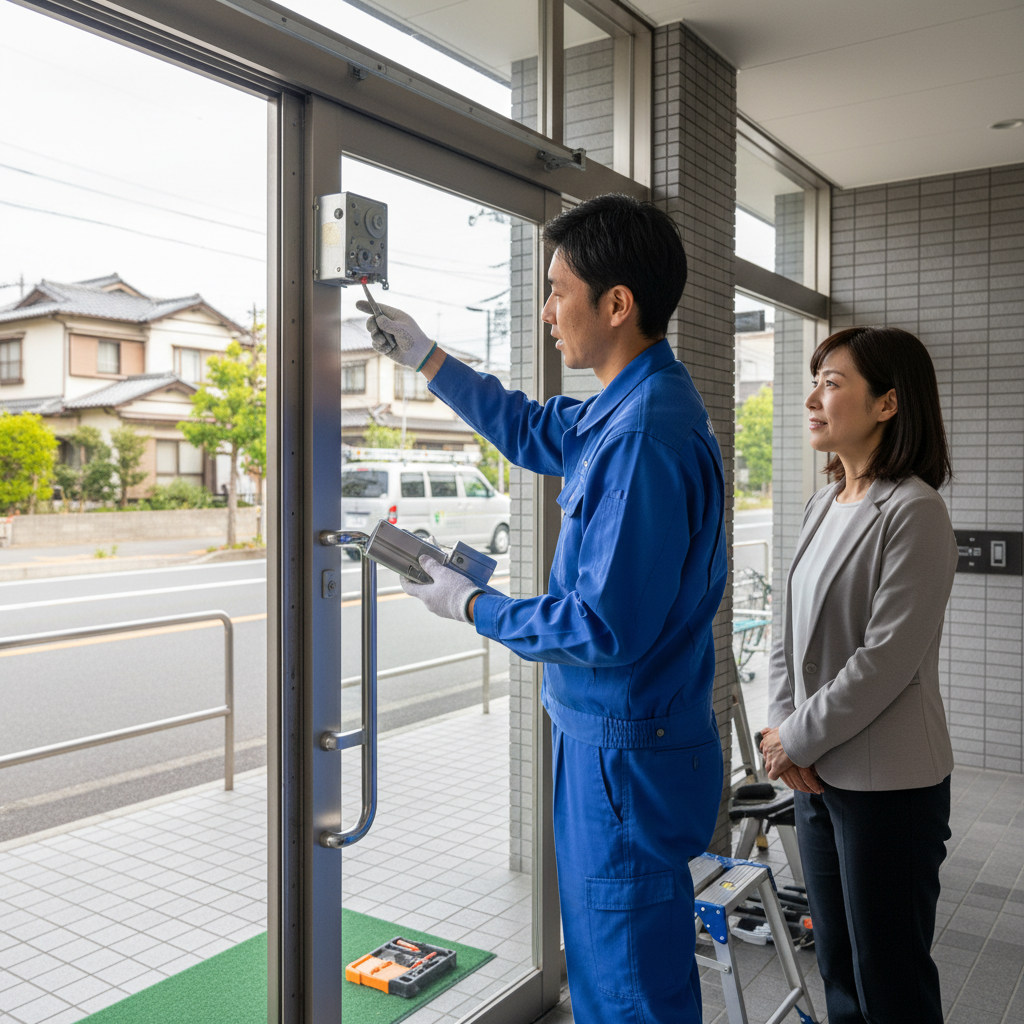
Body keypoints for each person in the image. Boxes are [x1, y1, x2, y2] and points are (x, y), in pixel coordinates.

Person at [357, 193, 727, 1024]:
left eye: (558, 291)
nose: (548, 311)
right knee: (618, 969)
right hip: (618, 741)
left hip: (623, 756)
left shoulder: (641, 436)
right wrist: (426, 357)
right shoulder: (632, 403)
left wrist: (473, 605)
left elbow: (601, 625)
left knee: (627, 990)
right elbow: (530, 430)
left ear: (617, 304)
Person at [759, 326, 957, 1024]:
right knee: (838, 967)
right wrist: (781, 733)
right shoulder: (822, 504)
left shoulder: (915, 510)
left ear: (887, 404)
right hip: (817, 775)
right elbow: (788, 633)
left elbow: (884, 660)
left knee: (890, 976)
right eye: (815, 382)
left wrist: (795, 740)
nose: (812, 398)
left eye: (832, 383)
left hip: (889, 786)